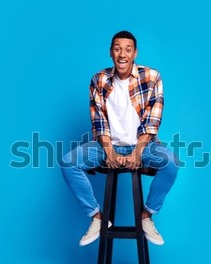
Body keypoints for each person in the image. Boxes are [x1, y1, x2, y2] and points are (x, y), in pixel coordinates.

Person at [61, 30, 178, 247]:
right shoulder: (99, 79)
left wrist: (138, 151)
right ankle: (97, 218)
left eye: (127, 49)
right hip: (106, 144)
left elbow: (153, 121)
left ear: (135, 53)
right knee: (68, 163)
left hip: (142, 145)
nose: (122, 54)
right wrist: (109, 150)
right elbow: (98, 122)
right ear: (110, 53)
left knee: (171, 163)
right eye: (117, 48)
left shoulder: (152, 77)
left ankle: (146, 216)